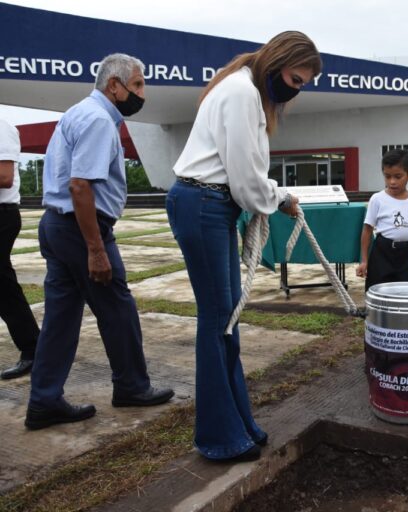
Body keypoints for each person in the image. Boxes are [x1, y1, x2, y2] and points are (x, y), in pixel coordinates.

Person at [168, 31, 319, 462]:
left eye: (302, 83)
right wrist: (279, 198)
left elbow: (247, 173)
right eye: (296, 78)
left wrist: (268, 194)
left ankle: (238, 423)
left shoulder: (245, 89)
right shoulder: (241, 93)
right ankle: (219, 437)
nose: (295, 88)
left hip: (212, 204)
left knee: (227, 319)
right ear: (278, 62)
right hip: (204, 204)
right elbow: (246, 177)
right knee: (218, 320)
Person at [25, 54, 174, 430]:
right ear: (114, 85)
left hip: (57, 226)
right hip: (80, 229)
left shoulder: (79, 112)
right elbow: (80, 185)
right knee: (118, 310)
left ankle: (44, 400)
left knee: (60, 318)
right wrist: (96, 249)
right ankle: (132, 387)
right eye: (137, 85)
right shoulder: (97, 120)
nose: (142, 93)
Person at [357, 149, 408, 289]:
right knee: (378, 291)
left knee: (401, 291)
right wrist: (364, 261)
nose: (392, 182)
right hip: (382, 252)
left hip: (405, 254)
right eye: (387, 176)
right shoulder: (377, 199)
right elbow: (367, 229)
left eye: (398, 176)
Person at [0, 119, 39, 380]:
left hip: (2, 216)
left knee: (3, 286)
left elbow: (4, 177)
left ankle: (33, 348)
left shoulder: (1, 125)